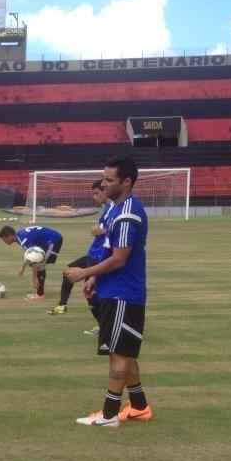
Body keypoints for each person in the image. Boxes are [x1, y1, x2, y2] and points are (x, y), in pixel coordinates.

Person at [65, 157, 152, 427]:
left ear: (126, 182)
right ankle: (139, 407)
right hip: (113, 290)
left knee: (119, 354)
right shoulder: (115, 209)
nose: (104, 184)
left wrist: (85, 273)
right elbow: (106, 248)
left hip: (124, 294)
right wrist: (94, 281)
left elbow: (119, 258)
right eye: (103, 178)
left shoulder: (127, 214)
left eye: (109, 180)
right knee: (123, 350)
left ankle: (109, 414)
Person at [49, 180, 114, 323]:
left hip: (98, 256)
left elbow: (113, 231)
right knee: (68, 272)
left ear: (105, 191)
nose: (94, 197)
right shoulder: (107, 209)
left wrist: (102, 230)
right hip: (93, 254)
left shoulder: (113, 209)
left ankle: (104, 325)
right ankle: (62, 305)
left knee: (90, 293)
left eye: (97, 193)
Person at [0, 224, 64, 300]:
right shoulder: (20, 235)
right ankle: (40, 293)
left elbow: (33, 259)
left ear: (9, 236)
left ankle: (40, 295)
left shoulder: (23, 239)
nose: (4, 242)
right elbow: (29, 254)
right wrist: (23, 267)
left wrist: (34, 279)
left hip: (54, 240)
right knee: (39, 264)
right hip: (49, 240)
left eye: (4, 239)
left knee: (40, 265)